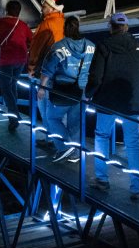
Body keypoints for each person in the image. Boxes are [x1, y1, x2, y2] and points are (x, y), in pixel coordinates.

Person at [84, 13, 139, 197]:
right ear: (126, 27)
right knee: (133, 143)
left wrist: (88, 94)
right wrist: (136, 88)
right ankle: (137, 187)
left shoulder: (104, 46)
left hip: (107, 101)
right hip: (133, 101)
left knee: (102, 137)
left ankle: (102, 180)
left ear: (111, 26)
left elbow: (96, 77)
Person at [37, 16, 95, 162]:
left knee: (52, 118)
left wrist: (42, 88)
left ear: (64, 29)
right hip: (82, 90)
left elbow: (47, 70)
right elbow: (96, 69)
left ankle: (64, 147)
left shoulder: (58, 46)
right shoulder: (91, 46)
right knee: (75, 124)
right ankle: (75, 154)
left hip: (61, 90)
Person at [0, 0, 33, 131]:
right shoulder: (22, 24)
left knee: (6, 89)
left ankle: (14, 117)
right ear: (19, 11)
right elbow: (31, 39)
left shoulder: (0, 23)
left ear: (7, 10)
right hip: (21, 59)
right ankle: (14, 114)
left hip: (6, 59)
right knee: (12, 86)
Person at [28, 0, 66, 77]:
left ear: (52, 8)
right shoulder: (64, 23)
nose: (41, 9)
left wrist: (32, 66)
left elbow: (37, 47)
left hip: (45, 66)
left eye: (44, 7)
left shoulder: (47, 24)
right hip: (60, 66)